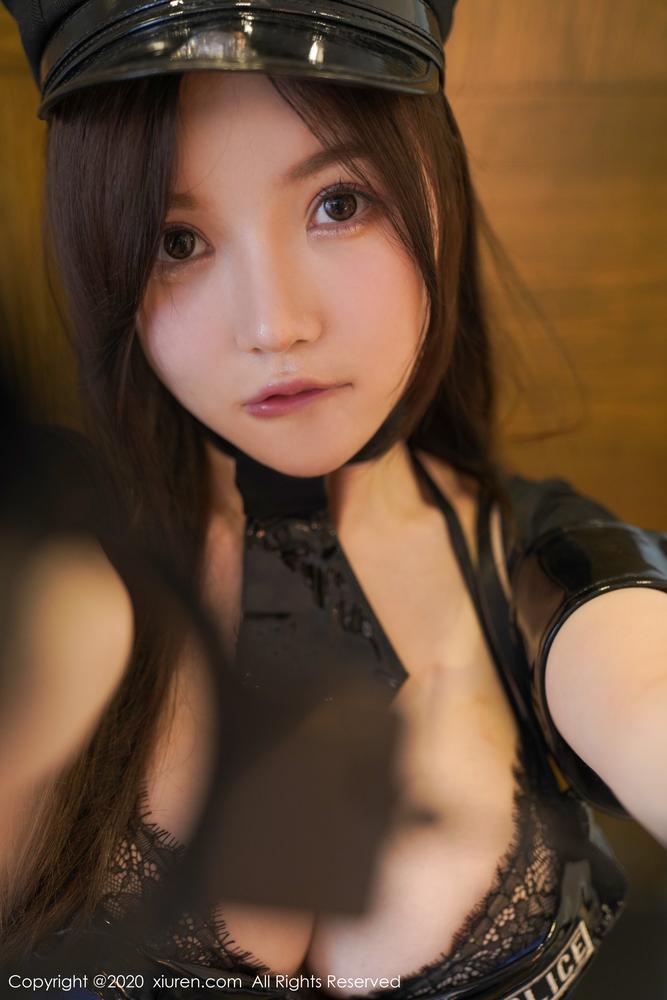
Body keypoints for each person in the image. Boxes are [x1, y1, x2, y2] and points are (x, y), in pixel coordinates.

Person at [1, 3, 666, 999]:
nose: (274, 325)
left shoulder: (554, 572)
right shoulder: (51, 552)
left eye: (339, 203)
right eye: (177, 240)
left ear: (435, 185)